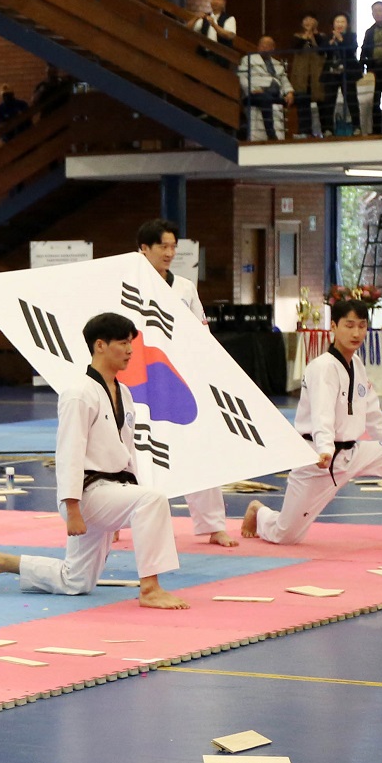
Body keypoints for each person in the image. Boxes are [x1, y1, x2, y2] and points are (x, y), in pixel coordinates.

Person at [0, 313, 188, 609]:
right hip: (87, 493)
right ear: (100, 345)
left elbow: (127, 451)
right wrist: (72, 507)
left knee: (76, 581)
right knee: (153, 500)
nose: (129, 350)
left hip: (112, 492)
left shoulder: (122, 391)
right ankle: (150, 589)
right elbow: (69, 452)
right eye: (123, 343)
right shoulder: (78, 393)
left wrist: (125, 505)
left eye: (130, 344)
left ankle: (0, 561)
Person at [243, 300, 382, 546]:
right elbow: (322, 414)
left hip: (353, 452)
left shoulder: (357, 365)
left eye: (362, 326)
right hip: (318, 460)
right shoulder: (322, 367)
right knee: (285, 535)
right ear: (333, 326)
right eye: (349, 325)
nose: (356, 333)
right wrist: (325, 450)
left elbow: (369, 406)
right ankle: (259, 511)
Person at [137, 219, 239, 548]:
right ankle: (117, 521)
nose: (169, 252)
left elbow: (202, 335)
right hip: (141, 381)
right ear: (144, 249)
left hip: (180, 381)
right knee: (135, 454)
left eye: (172, 246)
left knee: (199, 448)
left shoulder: (184, 288)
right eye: (162, 246)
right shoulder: (130, 286)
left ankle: (212, 525)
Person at [236, 35, 294, 141]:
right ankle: (271, 134)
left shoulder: (277, 64)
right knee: (266, 99)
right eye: (262, 45)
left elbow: (284, 80)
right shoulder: (248, 59)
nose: (264, 48)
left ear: (272, 48)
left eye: (267, 46)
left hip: (275, 93)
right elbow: (242, 77)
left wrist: (290, 92)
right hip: (256, 93)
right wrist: (252, 90)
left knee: (300, 97)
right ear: (258, 47)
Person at [288, 15, 328, 138]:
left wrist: (314, 36)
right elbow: (296, 48)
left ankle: (326, 130)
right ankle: (305, 131)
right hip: (301, 75)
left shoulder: (322, 37)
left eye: (310, 20)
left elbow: (322, 50)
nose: (307, 22)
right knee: (302, 102)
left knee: (323, 104)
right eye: (305, 20)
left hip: (317, 74)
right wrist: (305, 37)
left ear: (316, 22)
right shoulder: (297, 36)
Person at [322, 13, 362, 136]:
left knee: (351, 99)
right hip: (331, 73)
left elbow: (352, 49)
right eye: (337, 22)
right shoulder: (327, 37)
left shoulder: (351, 36)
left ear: (347, 25)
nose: (340, 24)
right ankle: (328, 128)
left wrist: (340, 40)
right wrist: (331, 42)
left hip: (347, 72)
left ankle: (356, 127)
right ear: (333, 24)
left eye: (342, 22)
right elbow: (321, 51)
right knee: (329, 100)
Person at [361, 1, 382, 135]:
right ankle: (376, 130)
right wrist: (363, 65)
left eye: (380, 10)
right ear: (372, 14)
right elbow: (364, 50)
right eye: (375, 11)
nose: (378, 13)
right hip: (375, 70)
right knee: (375, 101)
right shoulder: (369, 31)